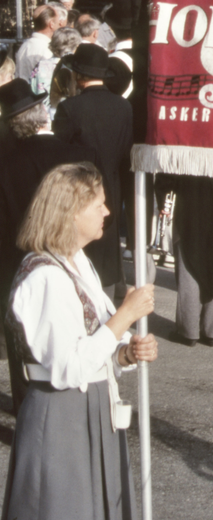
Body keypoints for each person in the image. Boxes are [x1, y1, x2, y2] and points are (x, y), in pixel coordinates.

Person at [3, 162, 158, 519]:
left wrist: (125, 354)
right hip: (60, 416)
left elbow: (92, 345)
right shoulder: (44, 277)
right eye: (98, 205)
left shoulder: (77, 262)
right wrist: (125, 316)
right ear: (71, 212)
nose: (107, 211)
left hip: (91, 408)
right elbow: (68, 368)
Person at [0, 82, 94, 411]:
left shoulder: (7, 163)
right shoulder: (75, 154)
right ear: (43, 114)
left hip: (18, 261)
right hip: (72, 257)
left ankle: (28, 409)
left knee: (24, 338)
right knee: (75, 330)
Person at [52, 44, 132, 291]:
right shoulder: (123, 106)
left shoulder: (70, 108)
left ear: (78, 75)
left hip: (80, 188)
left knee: (80, 248)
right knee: (107, 246)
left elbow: (59, 154)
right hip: (114, 183)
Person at [161, 175, 213, 347]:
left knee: (189, 260)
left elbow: (169, 170)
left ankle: (188, 330)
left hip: (192, 195)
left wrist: (163, 192)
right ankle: (212, 330)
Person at [15, 5, 63, 81]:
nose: (60, 25)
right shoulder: (47, 50)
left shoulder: (24, 46)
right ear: (51, 24)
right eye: (58, 22)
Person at [30, 27, 80, 97]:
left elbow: (33, 90)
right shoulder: (74, 67)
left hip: (41, 107)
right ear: (76, 47)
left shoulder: (40, 65)